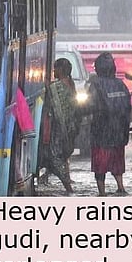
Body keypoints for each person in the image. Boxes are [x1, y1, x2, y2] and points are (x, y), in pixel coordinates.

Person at [88, 52, 131, 197]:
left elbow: (90, 105)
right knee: (117, 163)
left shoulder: (95, 85)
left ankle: (102, 193)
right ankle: (121, 187)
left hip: (102, 134)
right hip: (119, 133)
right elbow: (127, 108)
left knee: (100, 166)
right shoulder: (121, 84)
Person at [37, 57, 81, 195]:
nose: (53, 71)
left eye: (55, 68)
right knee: (60, 156)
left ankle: (68, 187)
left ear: (61, 70)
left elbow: (50, 101)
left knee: (55, 157)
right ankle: (46, 177)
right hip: (70, 127)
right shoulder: (70, 84)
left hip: (59, 129)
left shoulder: (56, 87)